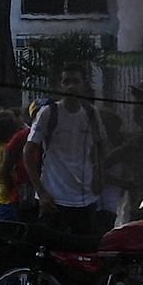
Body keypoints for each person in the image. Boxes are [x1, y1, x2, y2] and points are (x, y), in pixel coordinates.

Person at [24, 81, 108, 247]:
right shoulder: (48, 113)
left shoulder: (91, 113)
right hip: (54, 198)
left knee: (86, 251)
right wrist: (41, 192)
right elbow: (27, 152)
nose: (71, 86)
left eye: (75, 81)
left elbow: (101, 145)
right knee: (49, 250)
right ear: (60, 86)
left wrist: (99, 174)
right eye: (66, 81)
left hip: (85, 197)